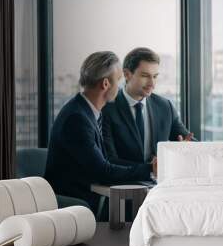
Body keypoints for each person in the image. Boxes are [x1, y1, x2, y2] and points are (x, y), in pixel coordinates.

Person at [45, 51, 156, 217]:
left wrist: (147, 169)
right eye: (118, 81)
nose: (119, 88)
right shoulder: (77, 119)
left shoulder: (89, 112)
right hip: (74, 204)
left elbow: (106, 161)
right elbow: (103, 171)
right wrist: (149, 170)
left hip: (90, 196)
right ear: (105, 84)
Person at [102, 47, 195, 175]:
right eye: (145, 76)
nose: (152, 83)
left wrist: (186, 148)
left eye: (155, 76)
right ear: (127, 74)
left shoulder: (165, 106)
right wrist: (150, 168)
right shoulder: (108, 108)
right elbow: (109, 160)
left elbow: (187, 140)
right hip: (123, 185)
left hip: (159, 186)